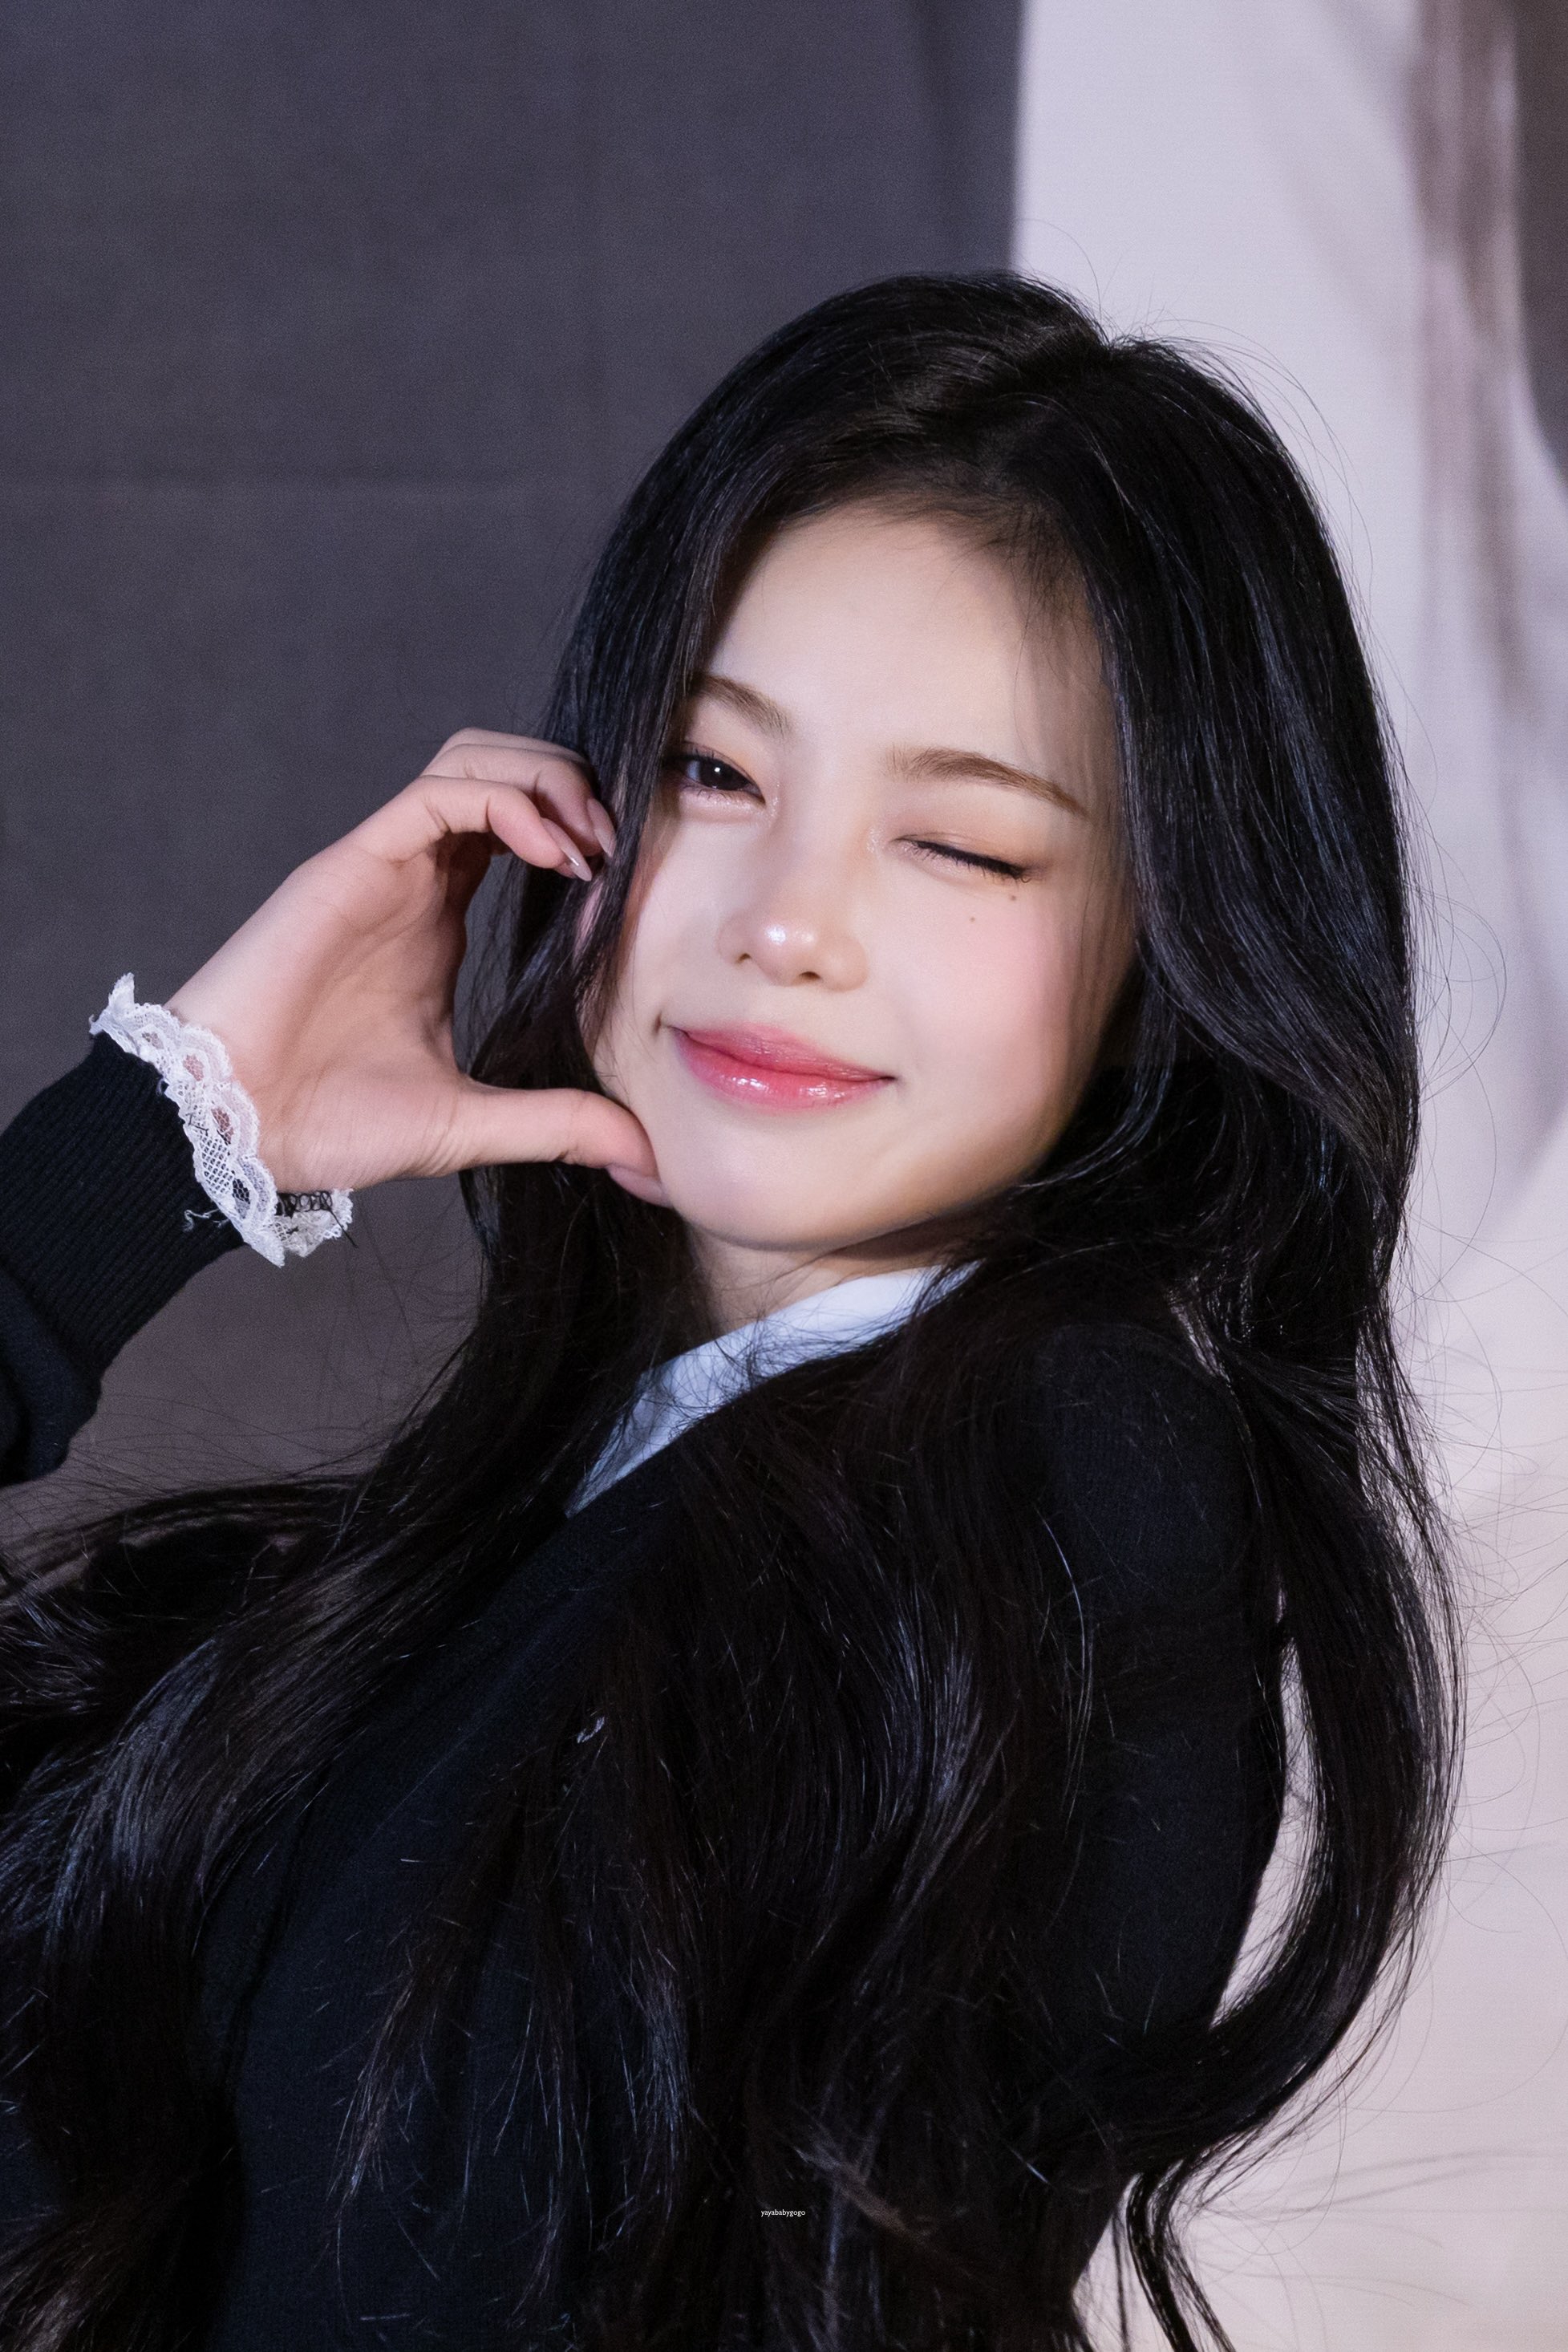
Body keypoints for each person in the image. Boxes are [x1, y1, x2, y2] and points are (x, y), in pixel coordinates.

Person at [0, 274, 1456, 2351]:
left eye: (962, 844)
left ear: (1166, 951)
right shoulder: (598, 1482)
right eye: (711, 768)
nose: (788, 924)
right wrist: (164, 1140)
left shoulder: (1067, 1478)